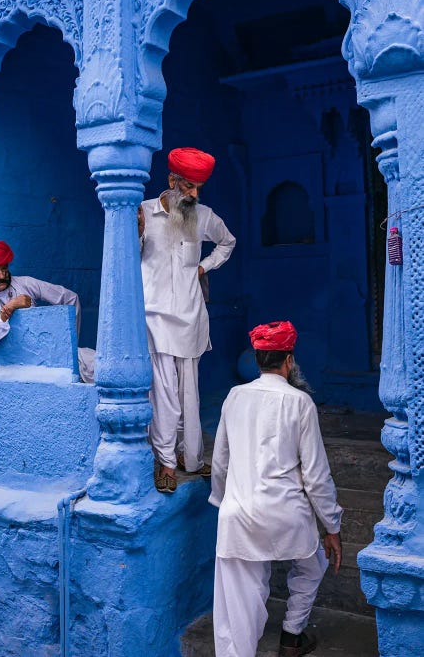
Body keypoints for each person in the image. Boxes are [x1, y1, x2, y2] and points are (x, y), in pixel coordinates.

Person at [210, 321, 343, 657]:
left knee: (238, 606)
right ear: (289, 360)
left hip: (238, 514)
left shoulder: (234, 397)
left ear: (257, 359)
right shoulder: (300, 403)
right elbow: (316, 475)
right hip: (287, 515)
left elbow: (220, 462)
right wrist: (332, 527)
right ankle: (291, 636)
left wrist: (228, 502)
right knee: (313, 565)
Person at [139, 147, 236, 493]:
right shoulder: (145, 213)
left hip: (192, 318)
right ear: (172, 181)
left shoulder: (204, 215)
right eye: (189, 187)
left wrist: (203, 267)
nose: (194, 195)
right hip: (155, 317)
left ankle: (191, 459)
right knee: (163, 394)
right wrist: (134, 235)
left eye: (198, 188)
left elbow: (227, 242)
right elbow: (129, 255)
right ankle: (165, 461)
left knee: (189, 394)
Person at [0, 238, 95, 382]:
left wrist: (68, 347)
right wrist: (9, 307)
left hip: (52, 358)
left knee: (99, 365)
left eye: (4, 269)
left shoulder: (25, 283)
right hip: (15, 369)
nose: (1, 276)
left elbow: (71, 298)